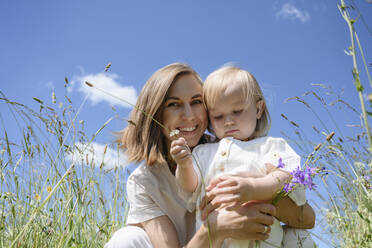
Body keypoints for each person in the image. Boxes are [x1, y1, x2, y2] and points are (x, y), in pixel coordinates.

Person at [104, 63, 315, 248]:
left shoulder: (233, 148)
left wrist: (251, 188)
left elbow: (306, 219)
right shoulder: (144, 181)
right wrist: (217, 227)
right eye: (174, 104)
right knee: (126, 240)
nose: (189, 115)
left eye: (196, 102)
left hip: (258, 239)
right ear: (156, 113)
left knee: (297, 237)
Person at [170, 65, 316, 247]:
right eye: (218, 116)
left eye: (237, 111)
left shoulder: (269, 146)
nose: (229, 121)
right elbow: (190, 187)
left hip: (263, 241)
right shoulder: (204, 153)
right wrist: (184, 165)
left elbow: (284, 176)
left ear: (258, 109)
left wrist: (252, 187)